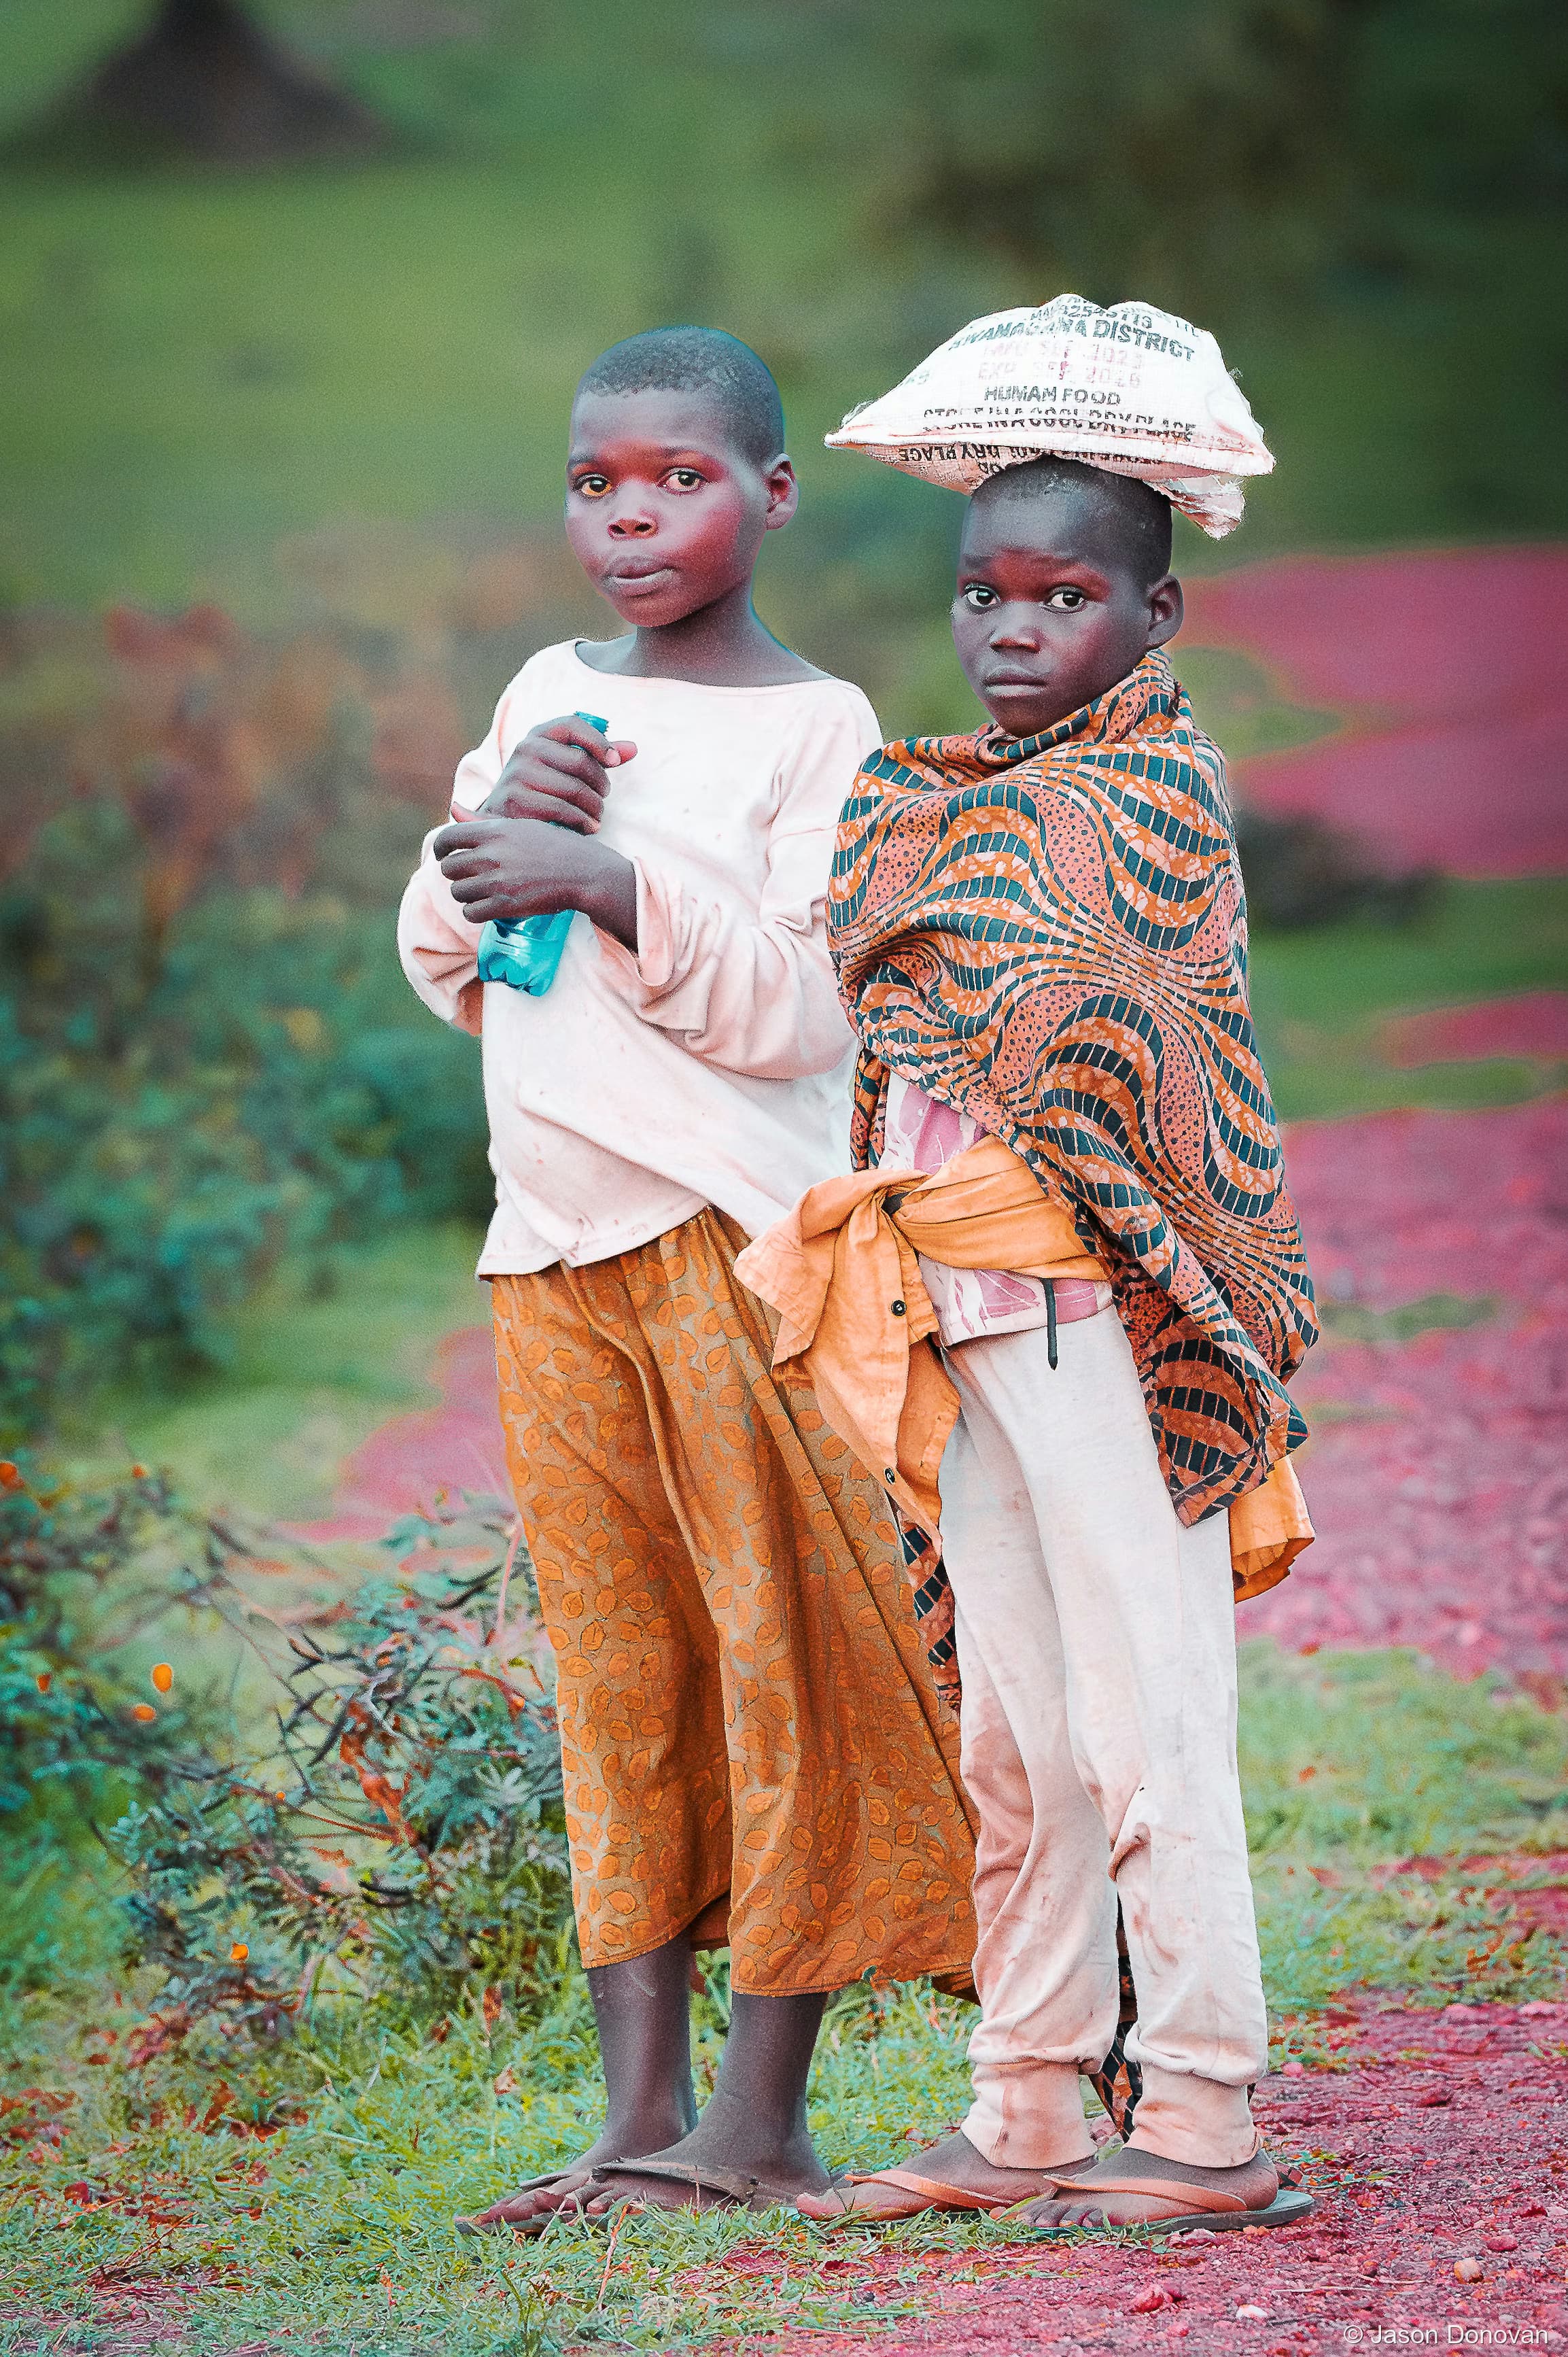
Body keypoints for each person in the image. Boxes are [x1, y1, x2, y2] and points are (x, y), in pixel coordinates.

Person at [396, 326, 977, 2233]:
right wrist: (495, 837)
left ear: (771, 495)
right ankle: (633, 2122)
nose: (630, 517)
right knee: (617, 1678)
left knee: (774, 1660)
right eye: (596, 484)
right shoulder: (544, 689)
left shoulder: (825, 728)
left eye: (678, 479)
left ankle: (758, 2121)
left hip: (736, 1247)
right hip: (547, 1249)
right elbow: (444, 953)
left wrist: (609, 879)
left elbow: (810, 1005)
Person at [740, 430, 1319, 2232]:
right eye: (982, 594)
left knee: (1146, 1719)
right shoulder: (941, 799)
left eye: (1064, 597)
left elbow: (1117, 1055)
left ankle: (1205, 2111)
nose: (1012, 629)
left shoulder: (1151, 796)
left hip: (1106, 1318)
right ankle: (1029, 2102)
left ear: (1155, 614)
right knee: (1012, 1730)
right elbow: (891, 1012)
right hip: (961, 1316)